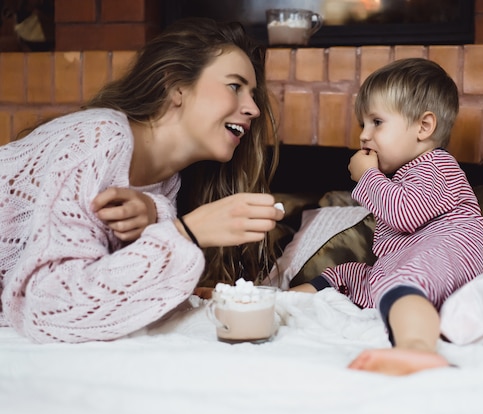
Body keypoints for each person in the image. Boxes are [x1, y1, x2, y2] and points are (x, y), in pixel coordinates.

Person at [0, 18, 284, 343]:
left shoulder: (167, 185)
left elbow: (106, 291)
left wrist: (159, 217)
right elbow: (47, 308)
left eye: (253, 94)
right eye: (235, 86)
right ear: (176, 85)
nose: (253, 109)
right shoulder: (98, 139)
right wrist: (186, 232)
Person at [291, 58, 483, 376]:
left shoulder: (435, 166)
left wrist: (367, 177)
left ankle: (416, 348)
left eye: (376, 122)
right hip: (417, 254)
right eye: (363, 124)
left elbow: (403, 213)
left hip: (452, 244)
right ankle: (279, 302)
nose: (363, 136)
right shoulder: (404, 174)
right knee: (351, 274)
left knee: (399, 281)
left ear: (424, 127)